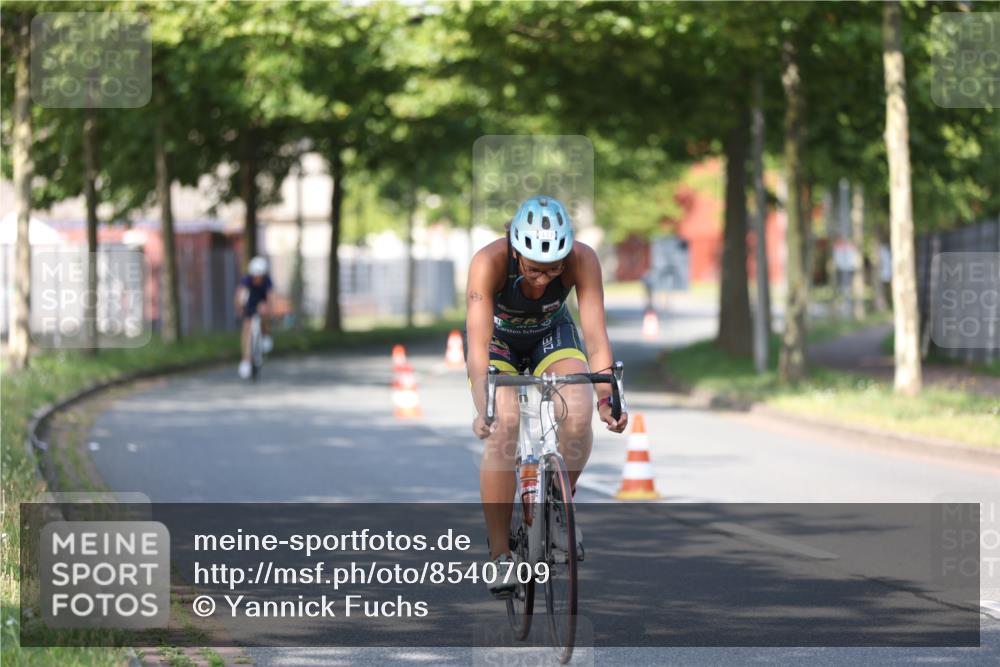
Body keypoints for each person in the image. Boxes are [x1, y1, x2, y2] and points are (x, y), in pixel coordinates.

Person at [465, 195, 629, 598]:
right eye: (535, 269)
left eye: (553, 269)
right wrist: (483, 407)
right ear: (517, 252)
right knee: (504, 428)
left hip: (550, 336)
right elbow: (477, 346)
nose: (543, 279)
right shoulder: (488, 262)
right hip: (499, 342)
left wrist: (607, 398)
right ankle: (501, 556)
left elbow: (595, 335)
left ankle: (558, 505)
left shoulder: (583, 259)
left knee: (578, 408)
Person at [235, 255, 273, 379]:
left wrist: (268, 308)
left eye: (260, 275)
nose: (257, 278)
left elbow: (270, 296)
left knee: (264, 311)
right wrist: (239, 308)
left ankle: (266, 334)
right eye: (255, 276)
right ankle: (246, 359)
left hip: (262, 302)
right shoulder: (247, 280)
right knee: (247, 328)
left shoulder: (267, 281)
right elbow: (239, 294)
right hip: (250, 304)